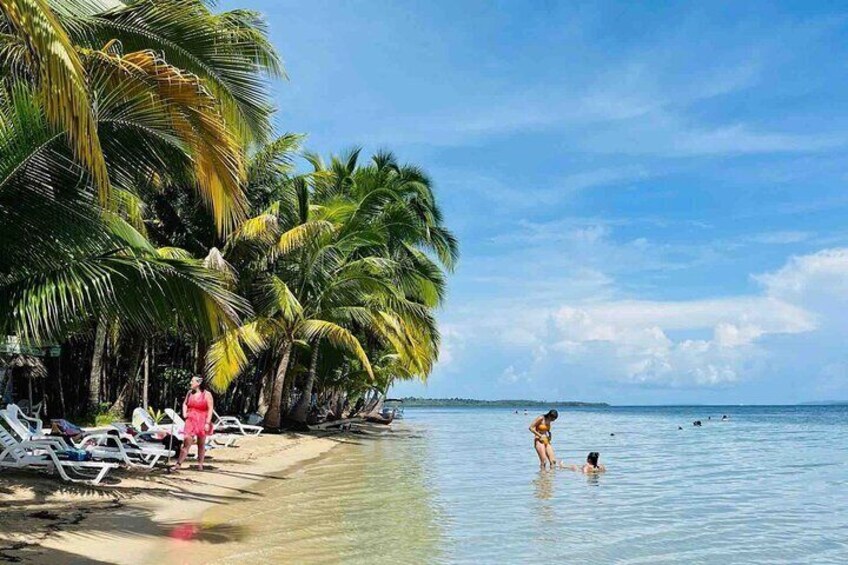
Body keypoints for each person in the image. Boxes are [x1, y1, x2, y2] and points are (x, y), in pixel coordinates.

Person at [169, 375, 214, 472]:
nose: (190, 383)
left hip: (202, 420)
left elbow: (210, 409)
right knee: (186, 441)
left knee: (201, 444)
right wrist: (185, 413)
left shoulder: (207, 394)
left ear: (198, 383)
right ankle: (178, 464)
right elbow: (185, 403)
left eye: (192, 381)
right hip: (190, 420)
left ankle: (200, 464)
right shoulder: (189, 393)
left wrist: (207, 423)